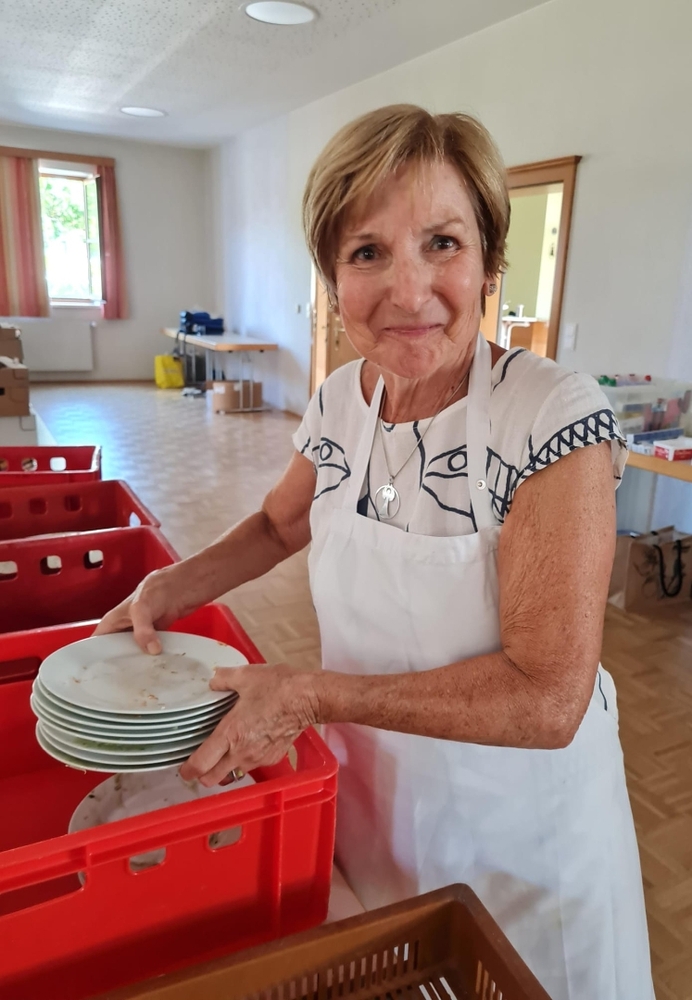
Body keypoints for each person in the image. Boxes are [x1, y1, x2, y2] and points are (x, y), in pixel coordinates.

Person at [97, 105, 654, 999]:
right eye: (367, 252)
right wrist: (170, 585)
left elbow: (548, 697)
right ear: (331, 279)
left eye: (442, 243)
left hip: (520, 842)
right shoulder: (341, 401)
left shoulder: (551, 416)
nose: (408, 290)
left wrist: (311, 693)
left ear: (489, 262)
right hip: (377, 802)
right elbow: (281, 525)